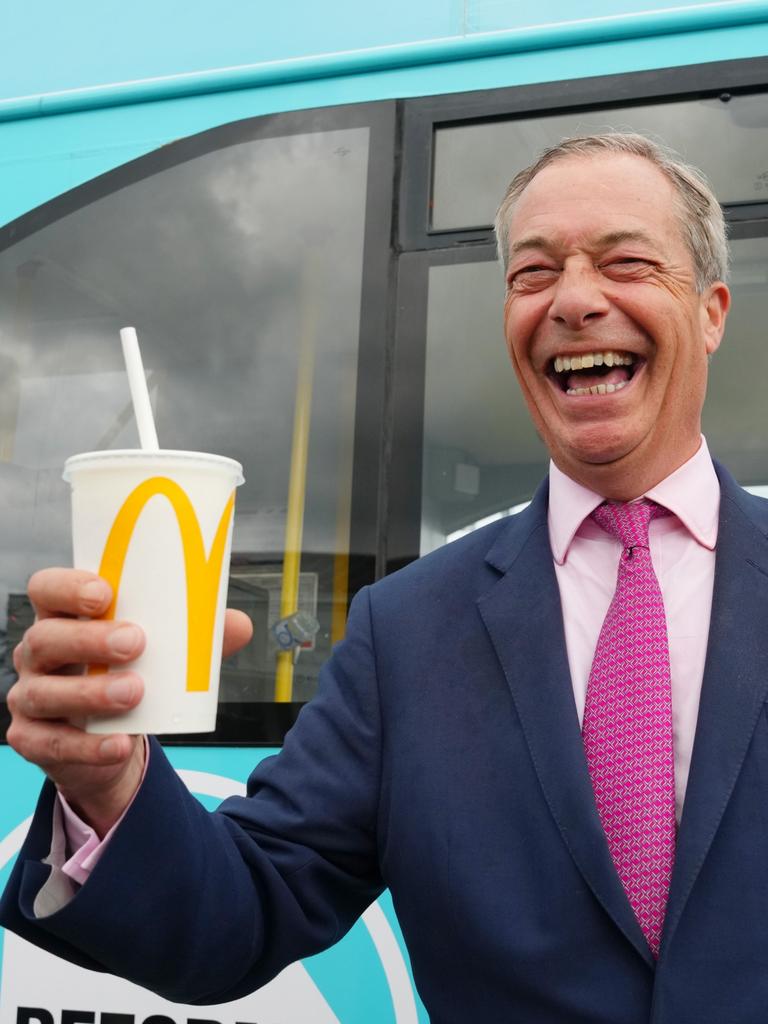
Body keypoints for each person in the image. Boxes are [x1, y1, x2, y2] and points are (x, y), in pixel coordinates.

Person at [3, 132, 767, 1022]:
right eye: (532, 274)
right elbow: (241, 914)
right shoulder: (405, 630)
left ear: (713, 311)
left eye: (627, 261)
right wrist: (109, 781)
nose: (574, 300)